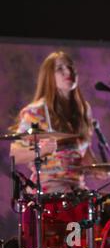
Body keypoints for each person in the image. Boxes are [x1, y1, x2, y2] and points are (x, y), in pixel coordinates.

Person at [9, 50, 96, 194]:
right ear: (49, 76)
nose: (68, 72)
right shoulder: (35, 112)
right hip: (49, 191)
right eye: (60, 69)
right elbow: (15, 155)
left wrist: (98, 168)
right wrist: (43, 151)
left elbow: (82, 151)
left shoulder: (83, 109)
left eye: (71, 67)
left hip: (77, 188)